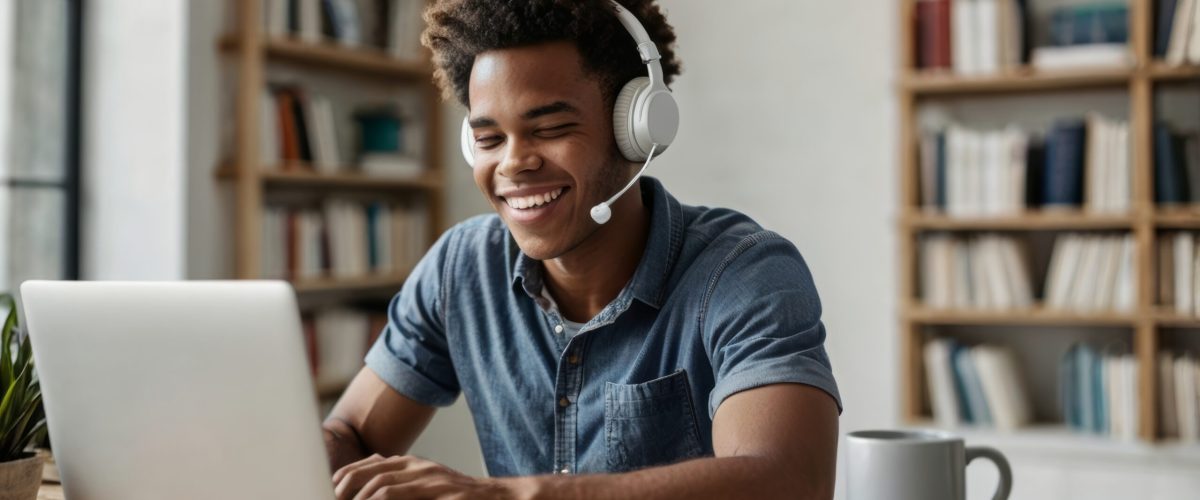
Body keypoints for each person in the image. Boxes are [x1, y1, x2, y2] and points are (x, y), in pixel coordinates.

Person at [322, 1, 842, 498]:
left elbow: (789, 482)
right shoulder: (461, 269)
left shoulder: (745, 273)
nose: (513, 163)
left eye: (549, 129)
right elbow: (352, 434)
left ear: (636, 129)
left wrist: (510, 497)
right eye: (489, 139)